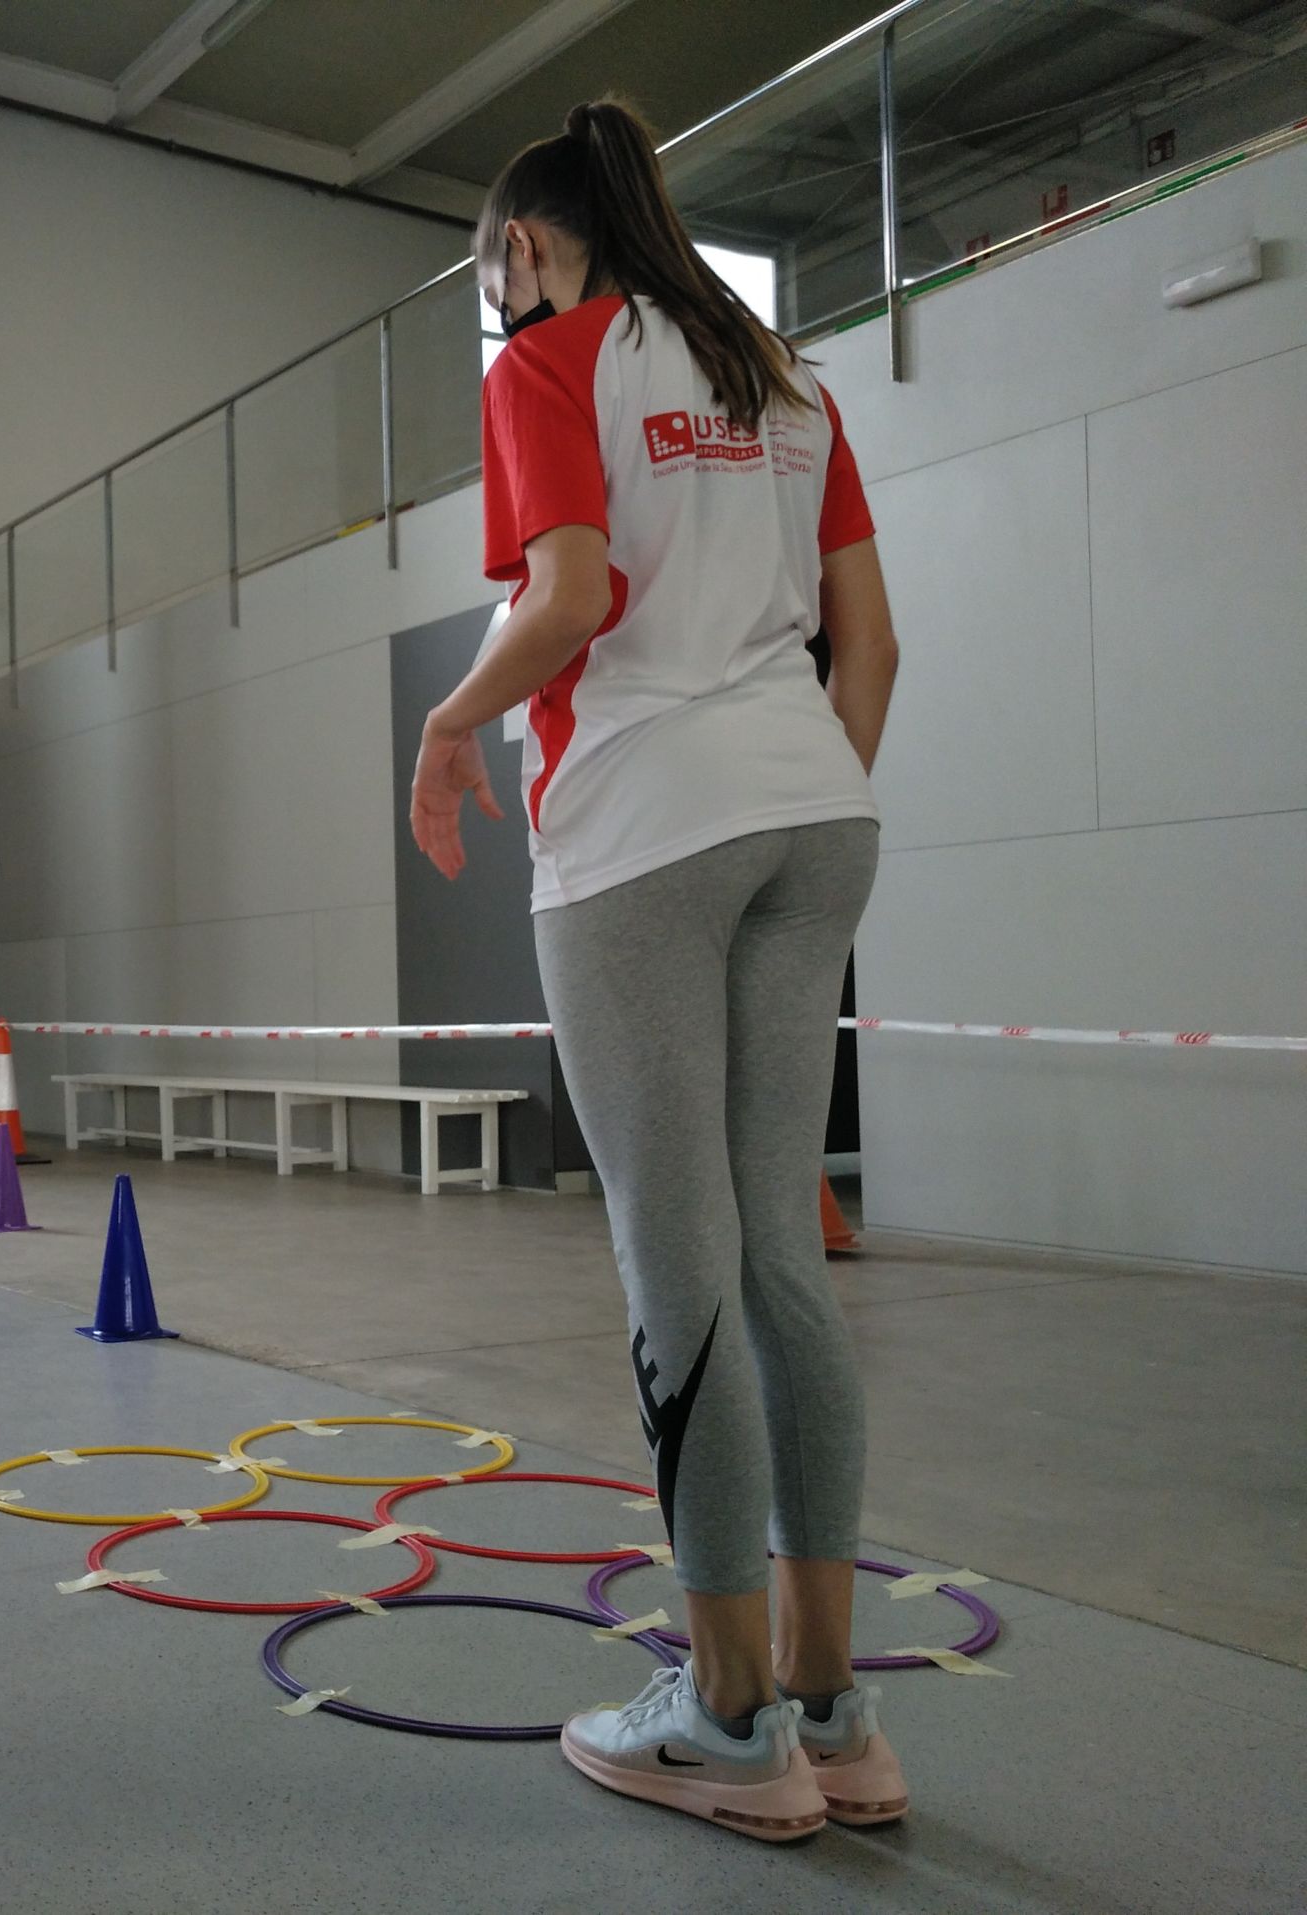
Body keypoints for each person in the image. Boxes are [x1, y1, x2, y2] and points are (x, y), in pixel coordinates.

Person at [408, 99, 902, 1841]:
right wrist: (786, 791)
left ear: (527, 248)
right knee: (783, 1262)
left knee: (677, 1266)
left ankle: (731, 1718)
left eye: (499, 281)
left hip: (639, 835)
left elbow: (567, 595)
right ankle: (837, 1709)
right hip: (815, 816)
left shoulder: (549, 364)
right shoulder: (785, 377)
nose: (504, 307)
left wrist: (447, 725)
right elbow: (872, 643)